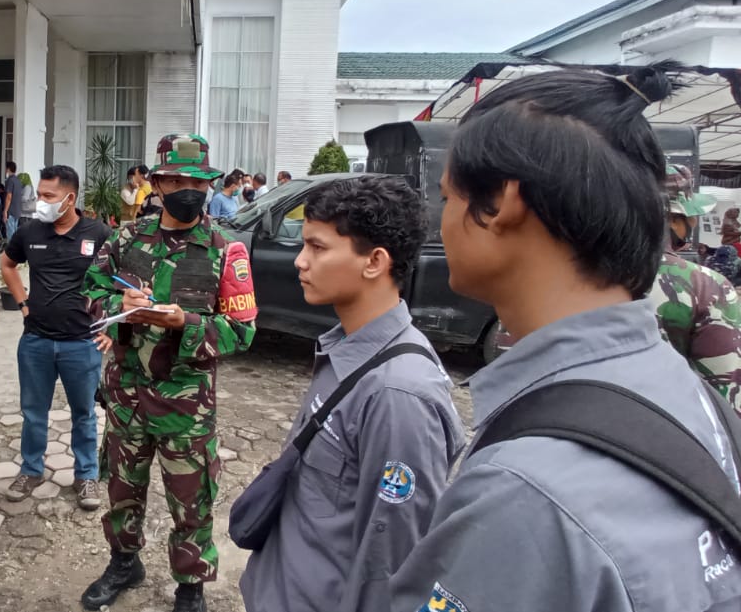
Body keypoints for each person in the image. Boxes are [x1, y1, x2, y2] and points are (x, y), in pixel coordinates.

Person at [388, 68, 741, 611]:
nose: (443, 224)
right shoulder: (692, 400)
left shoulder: (525, 490)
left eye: (448, 199)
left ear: (504, 203)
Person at [238, 176, 465, 612]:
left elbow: (390, 565)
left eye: (318, 248)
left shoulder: (399, 393)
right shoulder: (347, 346)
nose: (300, 262)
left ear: (374, 262)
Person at [81, 134, 257, 612]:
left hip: (187, 405)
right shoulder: (125, 239)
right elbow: (91, 293)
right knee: (122, 489)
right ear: (156, 183)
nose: (186, 188)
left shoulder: (226, 250)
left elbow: (242, 332)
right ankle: (124, 562)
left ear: (209, 184)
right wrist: (119, 304)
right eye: (175, 179)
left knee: (191, 500)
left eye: (196, 181)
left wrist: (186, 322)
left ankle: (190, 587)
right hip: (126, 398)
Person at [0, 165, 112, 509]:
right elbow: (6, 264)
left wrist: (111, 326)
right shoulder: (30, 232)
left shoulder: (100, 234)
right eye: (40, 196)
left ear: (70, 198)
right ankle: (31, 469)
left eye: (48, 197)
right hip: (36, 341)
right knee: (34, 412)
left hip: (82, 342)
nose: (40, 203)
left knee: (84, 414)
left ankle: (86, 476)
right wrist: (22, 303)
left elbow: (124, 281)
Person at [648, 164, 741, 412]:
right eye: (692, 214)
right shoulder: (705, 286)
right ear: (675, 219)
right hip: (675, 433)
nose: (695, 221)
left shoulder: (578, 273)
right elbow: (729, 395)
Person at [5, 161, 24, 238]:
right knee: (15, 232)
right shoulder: (18, 181)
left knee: (10, 234)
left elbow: (9, 196)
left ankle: (11, 249)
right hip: (17, 210)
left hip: (11, 211)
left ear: (8, 169)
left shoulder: (10, 180)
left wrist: (5, 211)